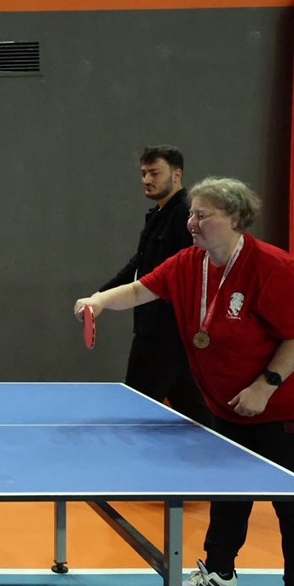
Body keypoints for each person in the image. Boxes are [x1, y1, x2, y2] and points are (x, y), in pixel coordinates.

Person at [74, 177, 294, 586]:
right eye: (191, 213)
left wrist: (266, 385)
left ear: (234, 218)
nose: (191, 222)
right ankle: (219, 573)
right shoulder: (190, 263)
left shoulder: (273, 267)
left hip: (287, 405)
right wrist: (99, 301)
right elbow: (139, 290)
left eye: (202, 215)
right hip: (229, 405)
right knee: (228, 494)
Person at [97, 146, 212, 427]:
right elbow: (139, 263)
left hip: (164, 331)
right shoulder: (158, 215)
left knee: (135, 409)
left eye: (155, 173)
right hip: (161, 329)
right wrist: (101, 295)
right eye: (143, 173)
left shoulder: (184, 217)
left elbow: (172, 276)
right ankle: (227, 445)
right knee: (194, 409)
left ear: (177, 174)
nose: (147, 180)